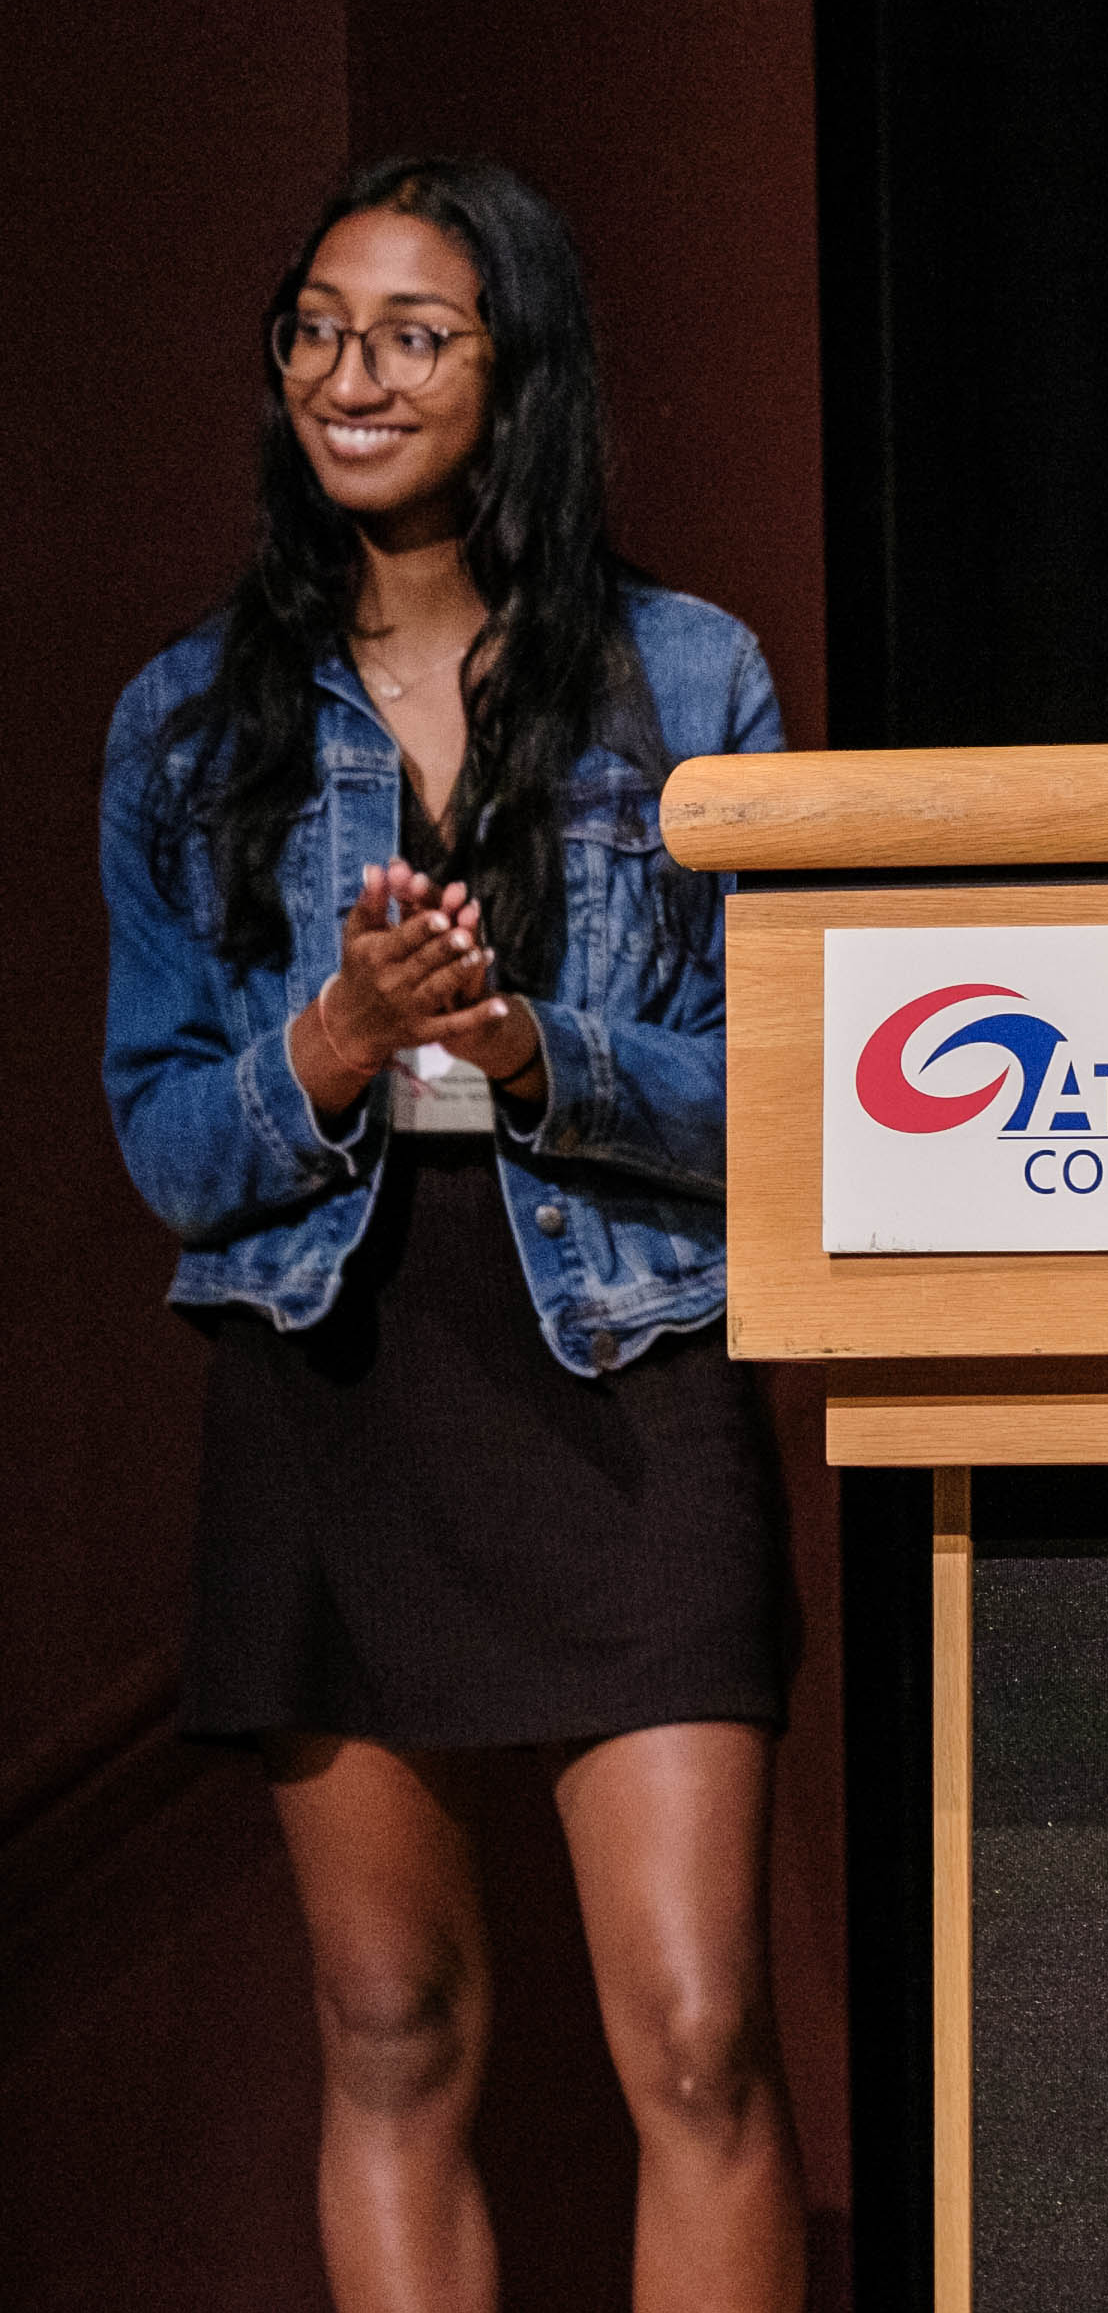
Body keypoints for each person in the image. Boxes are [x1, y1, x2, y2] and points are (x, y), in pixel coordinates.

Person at [101, 157, 804, 2310]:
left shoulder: (687, 676)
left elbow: (774, 1099)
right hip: (340, 1380)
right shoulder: (189, 718)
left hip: (625, 1370)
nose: (350, 374)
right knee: (391, 2029)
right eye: (315, 328)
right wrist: (329, 1040)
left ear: (517, 372)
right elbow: (164, 1140)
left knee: (694, 2031)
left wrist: (526, 1047)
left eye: (413, 333)